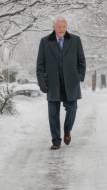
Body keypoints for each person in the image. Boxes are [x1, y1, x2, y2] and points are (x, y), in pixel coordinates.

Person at [36, 17, 86, 150]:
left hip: (71, 83)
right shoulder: (45, 42)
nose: (61, 29)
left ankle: (67, 130)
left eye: (64, 26)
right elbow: (40, 65)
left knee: (72, 108)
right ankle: (56, 141)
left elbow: (81, 61)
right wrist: (41, 82)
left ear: (66, 27)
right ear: (53, 27)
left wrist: (79, 77)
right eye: (59, 27)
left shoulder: (75, 40)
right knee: (53, 113)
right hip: (52, 84)